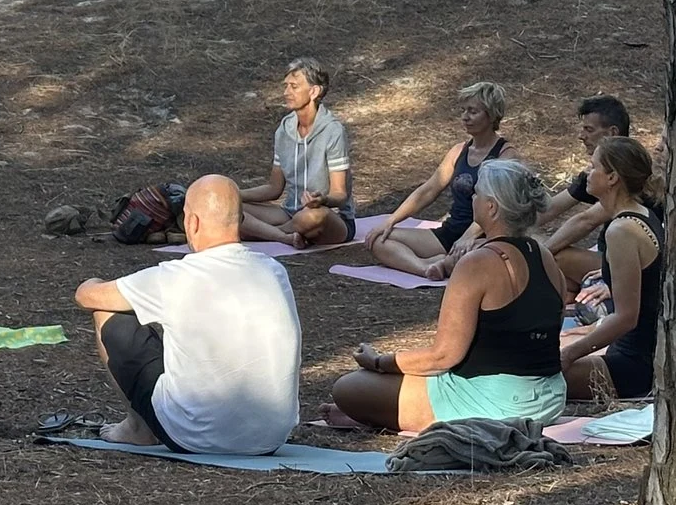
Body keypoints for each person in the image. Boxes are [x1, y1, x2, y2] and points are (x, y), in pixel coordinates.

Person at [329, 159, 571, 432]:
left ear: (491, 207)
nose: (472, 197)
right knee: (377, 389)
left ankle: (380, 412)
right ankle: (380, 412)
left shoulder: (477, 263)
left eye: (477, 193)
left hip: (500, 402)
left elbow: (444, 357)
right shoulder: (546, 257)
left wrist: (379, 362)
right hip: (550, 398)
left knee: (349, 387)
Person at [73, 175, 302, 454]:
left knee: (108, 314)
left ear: (191, 223)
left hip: (191, 435)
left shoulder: (175, 277)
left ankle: (138, 429)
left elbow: (87, 297)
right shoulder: (275, 271)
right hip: (270, 438)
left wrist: (91, 280)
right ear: (241, 220)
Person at [362, 83, 511, 280]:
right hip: (450, 233)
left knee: (474, 259)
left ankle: (445, 264)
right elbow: (429, 190)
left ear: (491, 116)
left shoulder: (506, 155)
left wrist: (469, 236)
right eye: (463, 110)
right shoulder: (459, 151)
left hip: (483, 237)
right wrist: (390, 221)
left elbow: (502, 205)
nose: (465, 117)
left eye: (473, 111)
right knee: (379, 239)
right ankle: (425, 268)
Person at [559, 137, 664, 405]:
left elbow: (627, 317)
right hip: (635, 351)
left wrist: (570, 355)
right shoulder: (639, 214)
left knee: (531, 374)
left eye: (593, 167)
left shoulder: (622, 231)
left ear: (612, 178)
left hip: (632, 366)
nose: (587, 173)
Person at [240, 57, 353, 248]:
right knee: (232, 209)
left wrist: (323, 200)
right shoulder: (284, 130)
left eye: (294, 86)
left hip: (328, 216)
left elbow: (340, 194)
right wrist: (235, 194)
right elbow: (274, 189)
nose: (286, 93)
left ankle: (267, 233)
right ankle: (282, 234)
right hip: (290, 213)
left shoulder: (333, 131)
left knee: (311, 217)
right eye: (286, 86)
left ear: (314, 91)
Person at [540, 95, 633, 287]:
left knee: (556, 260)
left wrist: (540, 255)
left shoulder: (626, 171)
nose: (581, 136)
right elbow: (549, 209)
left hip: (631, 266)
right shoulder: (596, 173)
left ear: (612, 133)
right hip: (605, 253)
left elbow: (586, 221)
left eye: (589, 130)